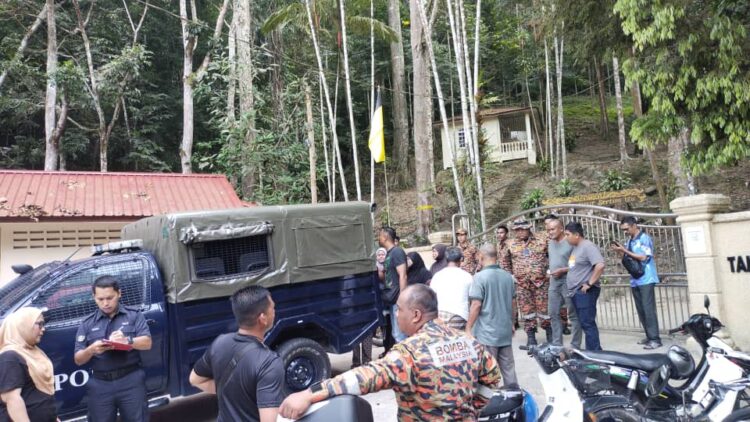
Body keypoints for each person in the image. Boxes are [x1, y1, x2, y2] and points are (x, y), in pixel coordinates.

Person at [278, 284, 501, 421]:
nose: (396, 315)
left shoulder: (410, 353)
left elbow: (364, 377)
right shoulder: (469, 342)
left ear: (415, 315)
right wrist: (470, 412)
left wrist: (310, 393)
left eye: (399, 310)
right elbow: (493, 379)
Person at [189, 285, 283, 422]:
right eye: (273, 308)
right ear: (262, 318)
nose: (274, 312)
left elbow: (194, 379)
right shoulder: (269, 362)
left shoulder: (219, 343)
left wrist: (232, 392)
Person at [74, 275, 152, 422]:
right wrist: (91, 349)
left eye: (110, 298)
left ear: (119, 293)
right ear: (94, 297)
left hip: (131, 381)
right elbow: (78, 359)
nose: (105, 303)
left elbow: (147, 342)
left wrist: (127, 340)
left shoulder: (134, 315)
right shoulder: (87, 324)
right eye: (100, 299)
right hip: (100, 384)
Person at [466, 243, 519, 388]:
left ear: (481, 256)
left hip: (487, 333)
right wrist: (512, 323)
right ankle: (514, 398)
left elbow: (476, 305)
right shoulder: (508, 276)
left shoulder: (479, 277)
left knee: (487, 372)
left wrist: (468, 328)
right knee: (509, 369)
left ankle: (489, 403)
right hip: (504, 331)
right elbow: (513, 303)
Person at [612, 216, 662, 349]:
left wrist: (625, 250)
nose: (625, 232)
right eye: (623, 230)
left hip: (647, 278)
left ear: (634, 225)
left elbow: (644, 257)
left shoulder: (644, 238)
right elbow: (627, 258)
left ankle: (655, 339)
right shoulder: (629, 240)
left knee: (648, 309)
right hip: (635, 279)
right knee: (641, 310)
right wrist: (620, 252)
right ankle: (649, 335)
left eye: (627, 229)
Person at [500, 218, 551, 346]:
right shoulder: (509, 243)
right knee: (527, 311)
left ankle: (551, 336)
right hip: (522, 284)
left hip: (541, 283)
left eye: (523, 229)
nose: (520, 232)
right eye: (517, 230)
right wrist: (510, 275)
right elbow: (504, 262)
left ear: (529, 228)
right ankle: (531, 337)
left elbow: (552, 255)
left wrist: (550, 270)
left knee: (545, 310)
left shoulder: (542, 239)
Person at [0, 307, 56, 422]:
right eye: (39, 324)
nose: (43, 329)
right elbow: (12, 399)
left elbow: (39, 394)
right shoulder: (10, 357)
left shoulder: (32, 351)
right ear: (23, 326)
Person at [565, 222, 606, 351]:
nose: (566, 237)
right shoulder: (576, 248)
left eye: (567, 234)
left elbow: (600, 265)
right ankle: (593, 351)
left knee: (588, 323)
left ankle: (595, 353)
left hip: (585, 292)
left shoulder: (588, 246)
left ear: (577, 235)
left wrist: (589, 283)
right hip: (576, 292)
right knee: (584, 322)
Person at [546, 216, 582, 348]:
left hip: (569, 281)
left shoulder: (570, 242)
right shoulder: (550, 243)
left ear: (561, 229)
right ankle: (557, 344)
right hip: (554, 282)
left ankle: (575, 345)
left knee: (573, 314)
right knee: (553, 313)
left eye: (553, 229)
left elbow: (578, 264)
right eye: (548, 230)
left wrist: (563, 270)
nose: (550, 232)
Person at [429, 247, 473, 330]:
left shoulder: (437, 276)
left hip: (440, 315)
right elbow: (472, 300)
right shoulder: (467, 277)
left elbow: (432, 297)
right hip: (460, 316)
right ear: (461, 259)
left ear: (446, 259)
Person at [378, 227, 408, 343]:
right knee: (396, 332)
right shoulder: (388, 254)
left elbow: (403, 275)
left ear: (385, 237)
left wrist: (402, 299)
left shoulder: (397, 252)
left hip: (397, 299)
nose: (378, 238)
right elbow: (387, 277)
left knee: (399, 334)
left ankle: (405, 359)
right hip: (391, 299)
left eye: (380, 235)